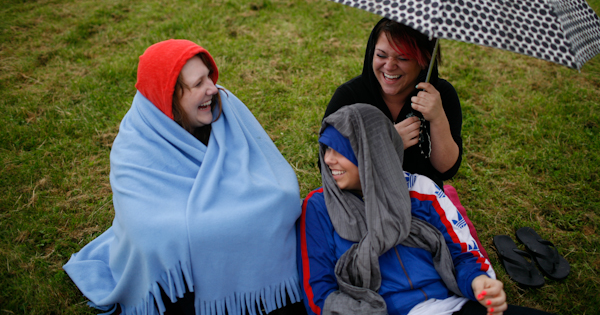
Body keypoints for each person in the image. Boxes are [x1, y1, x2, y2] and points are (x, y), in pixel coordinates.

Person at [64, 39, 306, 315]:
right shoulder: (136, 142)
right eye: (198, 84)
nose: (213, 89)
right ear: (168, 96)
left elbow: (279, 186)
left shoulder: (224, 108)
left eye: (210, 77)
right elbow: (149, 230)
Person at [298, 104, 556, 315]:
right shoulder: (320, 206)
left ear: (371, 154)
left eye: (339, 151)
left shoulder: (420, 190)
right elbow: (319, 293)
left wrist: (479, 283)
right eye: (326, 149)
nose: (328, 160)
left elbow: (464, 254)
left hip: (454, 306)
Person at [323, 18, 461, 188]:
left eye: (403, 58)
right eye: (381, 55)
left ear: (423, 61)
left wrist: (438, 118)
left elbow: (446, 169)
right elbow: (328, 169)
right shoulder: (349, 97)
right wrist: (386, 143)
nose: (389, 66)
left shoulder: (441, 95)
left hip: (420, 201)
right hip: (363, 198)